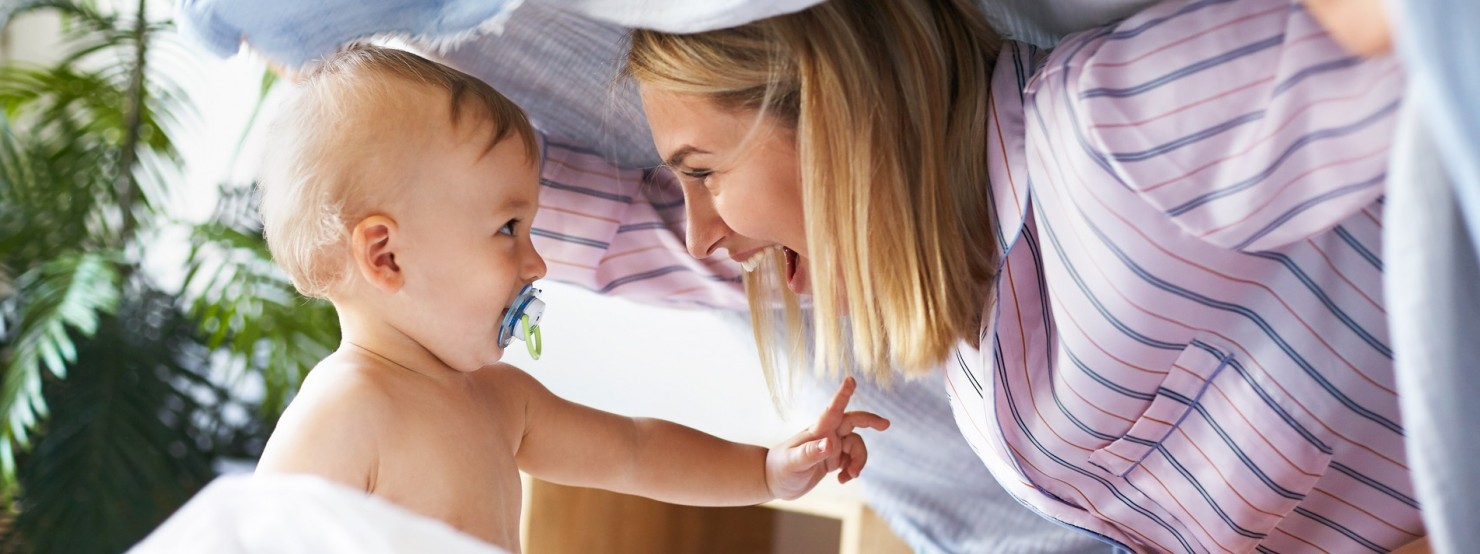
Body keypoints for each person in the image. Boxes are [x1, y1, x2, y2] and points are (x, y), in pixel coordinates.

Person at [622, 0, 1429, 551]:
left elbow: (1412, 35)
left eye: (702, 171)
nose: (698, 234)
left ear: (835, 110)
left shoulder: (1101, 136)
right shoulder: (976, 327)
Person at [250, 45, 888, 551]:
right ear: (386, 255)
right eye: (507, 229)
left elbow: (636, 453)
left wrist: (768, 472)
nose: (538, 262)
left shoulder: (502, 399)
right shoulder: (342, 415)